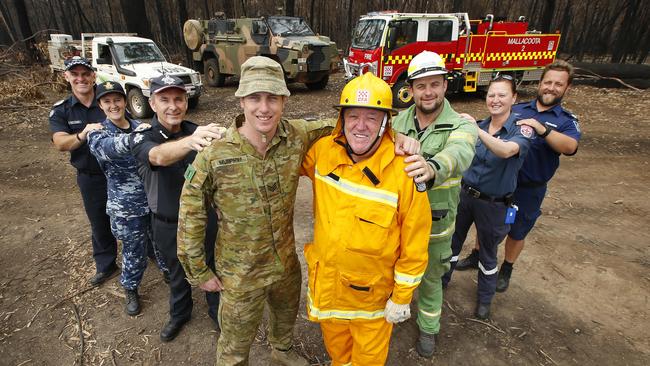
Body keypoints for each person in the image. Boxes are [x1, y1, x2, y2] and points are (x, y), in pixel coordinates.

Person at [177, 56, 336, 366]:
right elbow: (191, 213)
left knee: (286, 317)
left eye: (272, 98)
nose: (264, 107)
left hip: (285, 265)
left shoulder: (297, 135)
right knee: (235, 346)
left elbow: (351, 124)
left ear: (284, 100)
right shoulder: (215, 153)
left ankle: (282, 352)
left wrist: (401, 134)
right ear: (241, 100)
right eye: (255, 98)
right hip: (240, 275)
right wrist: (198, 270)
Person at [300, 72, 432, 365]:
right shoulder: (323, 153)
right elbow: (278, 156)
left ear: (386, 123)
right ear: (342, 119)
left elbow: (415, 242)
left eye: (372, 118)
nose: (361, 126)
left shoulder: (404, 173)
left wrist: (402, 296)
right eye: (353, 116)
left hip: (371, 302)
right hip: (329, 292)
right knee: (338, 356)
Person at [454, 60, 581, 293]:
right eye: (547, 82)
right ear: (540, 83)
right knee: (487, 225)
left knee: (517, 229)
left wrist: (542, 129)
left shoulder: (565, 119)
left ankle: (507, 268)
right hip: (497, 182)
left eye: (558, 84)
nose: (551, 88)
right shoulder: (518, 108)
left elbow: (570, 147)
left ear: (567, 88)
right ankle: (476, 255)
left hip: (528, 187)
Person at [391, 51, 478, 358]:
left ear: (444, 86)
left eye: (434, 84)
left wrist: (432, 168)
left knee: (430, 281)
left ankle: (429, 330)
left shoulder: (462, 125)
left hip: (436, 225)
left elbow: (460, 153)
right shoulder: (395, 123)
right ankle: (391, 316)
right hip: (397, 224)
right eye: (421, 85)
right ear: (411, 89)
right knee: (391, 274)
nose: (428, 92)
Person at [128, 74, 224, 342]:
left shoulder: (196, 129)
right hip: (168, 223)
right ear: (152, 103)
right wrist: (190, 142)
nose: (173, 106)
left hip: (205, 219)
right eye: (165, 99)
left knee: (212, 266)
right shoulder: (142, 137)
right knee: (176, 272)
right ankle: (180, 313)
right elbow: (157, 156)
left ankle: (217, 312)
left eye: (179, 99)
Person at [441, 74, 533, 319]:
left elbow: (506, 151)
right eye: (491, 94)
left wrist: (475, 131)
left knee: (488, 254)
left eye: (502, 95)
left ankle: (484, 299)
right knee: (451, 244)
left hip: (494, 204)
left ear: (513, 98)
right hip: (465, 196)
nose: (495, 100)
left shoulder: (521, 128)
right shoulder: (480, 125)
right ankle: (441, 283)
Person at [86, 81, 168, 315]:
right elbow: (110, 149)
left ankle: (167, 272)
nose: (114, 105)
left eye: (117, 100)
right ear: (100, 105)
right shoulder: (97, 134)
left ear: (125, 101)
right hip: (126, 207)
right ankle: (130, 287)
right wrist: (136, 140)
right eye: (107, 101)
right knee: (134, 250)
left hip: (152, 200)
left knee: (160, 242)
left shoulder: (140, 126)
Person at [48, 56, 118, 286]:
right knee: (99, 221)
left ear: (93, 76)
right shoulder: (62, 111)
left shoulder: (109, 99)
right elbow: (60, 143)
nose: (81, 79)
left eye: (85, 74)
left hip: (119, 173)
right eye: (75, 74)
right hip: (90, 177)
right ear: (66, 77)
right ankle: (106, 265)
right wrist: (82, 134)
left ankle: (150, 254)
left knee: (136, 216)